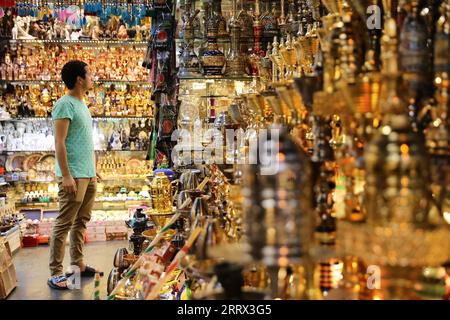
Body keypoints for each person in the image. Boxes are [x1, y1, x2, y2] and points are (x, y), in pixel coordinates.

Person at [48, 60, 103, 290]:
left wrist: (93, 170)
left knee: (81, 221)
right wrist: (67, 176)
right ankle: (56, 273)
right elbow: (59, 143)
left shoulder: (82, 105)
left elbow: (82, 142)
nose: (92, 76)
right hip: (74, 176)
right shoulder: (65, 105)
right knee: (64, 223)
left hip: (87, 174)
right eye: (89, 73)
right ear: (80, 79)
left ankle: (77, 264)